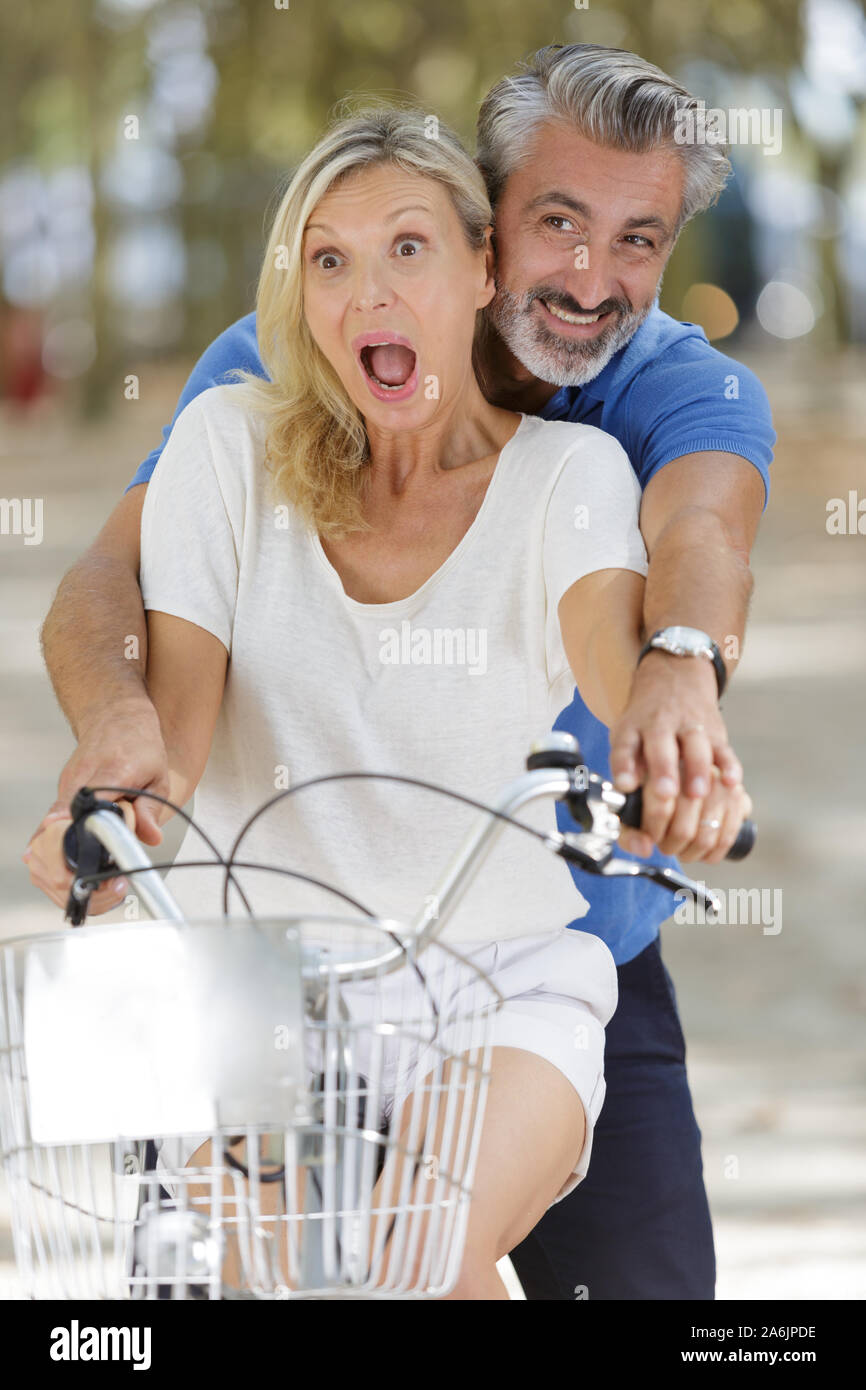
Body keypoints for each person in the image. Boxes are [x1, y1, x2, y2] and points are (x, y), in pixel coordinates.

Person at [27, 45, 773, 1300]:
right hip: (264, 957)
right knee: (289, 1276)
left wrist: (673, 680)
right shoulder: (253, 395)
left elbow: (690, 544)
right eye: (558, 222)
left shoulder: (628, 425)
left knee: (473, 1266)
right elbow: (124, 607)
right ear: (493, 223)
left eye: (637, 237)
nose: (592, 277)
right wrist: (120, 751)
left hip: (545, 938)